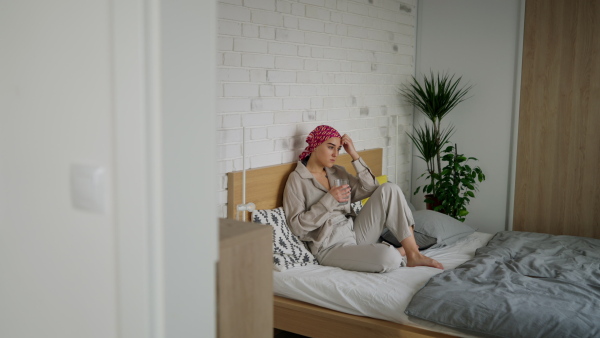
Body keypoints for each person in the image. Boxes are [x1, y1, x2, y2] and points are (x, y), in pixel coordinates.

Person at [283, 125, 443, 273]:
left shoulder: (336, 172)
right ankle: (397, 252)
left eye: (338, 149)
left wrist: (354, 154)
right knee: (389, 258)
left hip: (354, 231)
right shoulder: (297, 179)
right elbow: (297, 227)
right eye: (331, 147)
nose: (335, 154)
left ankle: (413, 254)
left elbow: (371, 188)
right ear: (315, 145)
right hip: (330, 246)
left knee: (389, 188)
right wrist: (329, 199)